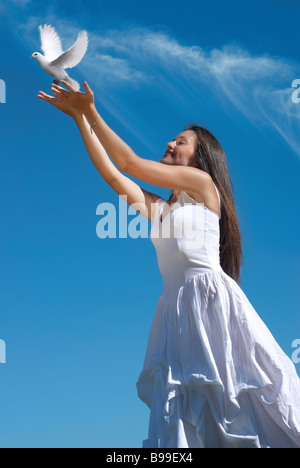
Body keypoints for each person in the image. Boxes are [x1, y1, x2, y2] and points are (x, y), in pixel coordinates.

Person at [37, 80, 300, 448]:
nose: (170, 144)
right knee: (186, 420)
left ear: (200, 157)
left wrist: (93, 111)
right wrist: (80, 118)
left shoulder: (204, 185)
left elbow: (128, 162)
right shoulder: (161, 211)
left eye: (180, 142)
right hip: (176, 315)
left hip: (211, 306)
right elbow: (116, 176)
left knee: (238, 405)